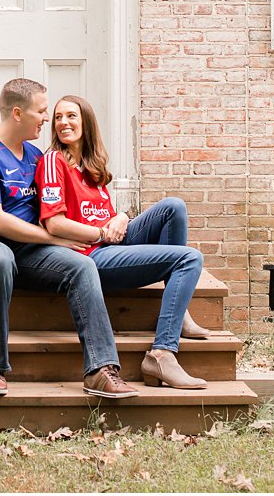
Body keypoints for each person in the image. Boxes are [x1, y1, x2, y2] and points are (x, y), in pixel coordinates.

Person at [0, 78, 137, 399]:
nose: (49, 119)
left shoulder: (36, 156)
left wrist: (116, 216)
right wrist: (53, 239)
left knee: (81, 266)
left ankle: (100, 370)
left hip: (25, 251)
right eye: (43, 112)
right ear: (18, 113)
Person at [37, 94, 211, 389]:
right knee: (189, 258)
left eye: (71, 116)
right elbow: (54, 223)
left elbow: (104, 216)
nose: (63, 122)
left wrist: (121, 215)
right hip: (91, 256)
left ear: (86, 122)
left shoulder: (92, 167)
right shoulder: (54, 161)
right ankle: (162, 354)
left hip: (110, 242)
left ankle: (178, 312)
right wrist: (103, 233)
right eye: (57, 117)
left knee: (173, 207)